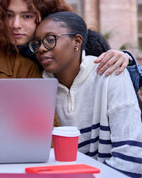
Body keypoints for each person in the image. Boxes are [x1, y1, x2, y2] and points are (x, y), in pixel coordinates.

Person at [29, 11, 142, 177]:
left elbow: (132, 158)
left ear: (77, 41)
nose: (41, 48)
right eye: (37, 43)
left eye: (50, 40)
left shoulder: (111, 73)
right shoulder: (39, 87)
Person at [0, 0, 142, 91]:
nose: (15, 25)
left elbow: (122, 89)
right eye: (9, 15)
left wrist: (124, 61)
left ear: (46, 13)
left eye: (27, 16)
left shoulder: (88, 42)